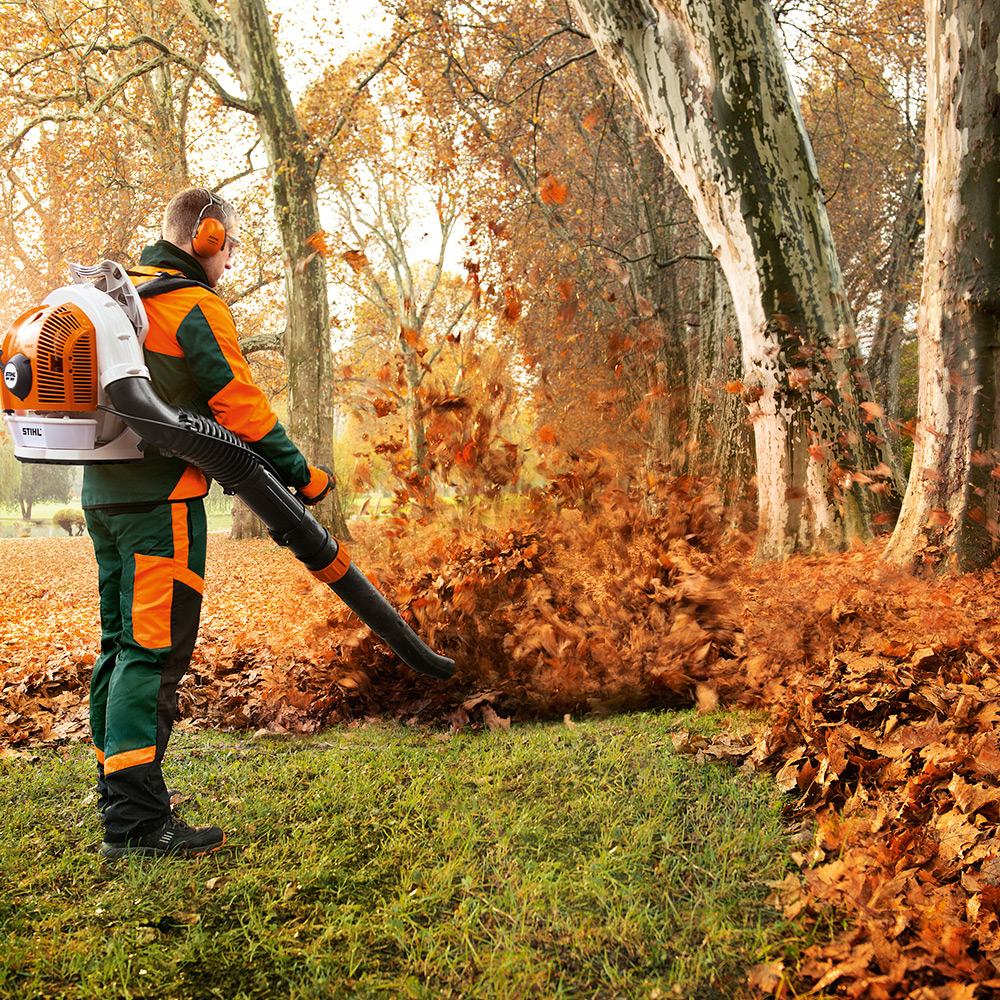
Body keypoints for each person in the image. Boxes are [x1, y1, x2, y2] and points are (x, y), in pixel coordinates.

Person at [83, 188, 332, 860]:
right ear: (210, 236)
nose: (231, 263)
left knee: (118, 645)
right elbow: (239, 406)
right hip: (161, 503)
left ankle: (116, 787)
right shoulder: (192, 304)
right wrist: (305, 476)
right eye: (232, 248)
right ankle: (135, 822)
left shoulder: (117, 294)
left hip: (102, 497)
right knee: (153, 654)